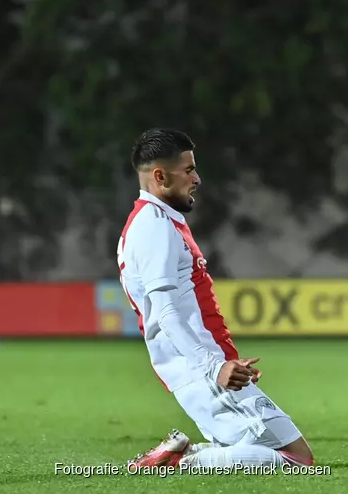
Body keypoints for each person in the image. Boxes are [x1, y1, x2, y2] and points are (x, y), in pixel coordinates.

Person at [118, 129, 314, 470]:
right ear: (160, 176)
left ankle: (183, 455)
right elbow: (165, 311)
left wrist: (225, 360)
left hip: (207, 364)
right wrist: (214, 366)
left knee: (292, 450)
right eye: (189, 169)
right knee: (296, 460)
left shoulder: (159, 221)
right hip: (200, 369)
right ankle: (179, 461)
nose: (197, 178)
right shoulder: (153, 226)